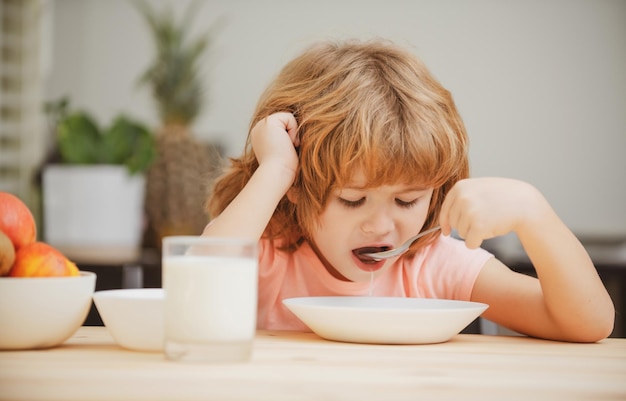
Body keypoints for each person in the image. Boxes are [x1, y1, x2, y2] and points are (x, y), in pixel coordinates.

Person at [204, 38, 614, 342]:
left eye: (407, 200)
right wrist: (276, 169)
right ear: (295, 186)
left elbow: (588, 323)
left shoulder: (436, 265)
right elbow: (199, 282)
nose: (381, 226)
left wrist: (534, 212)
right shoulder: (269, 256)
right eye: (352, 199)